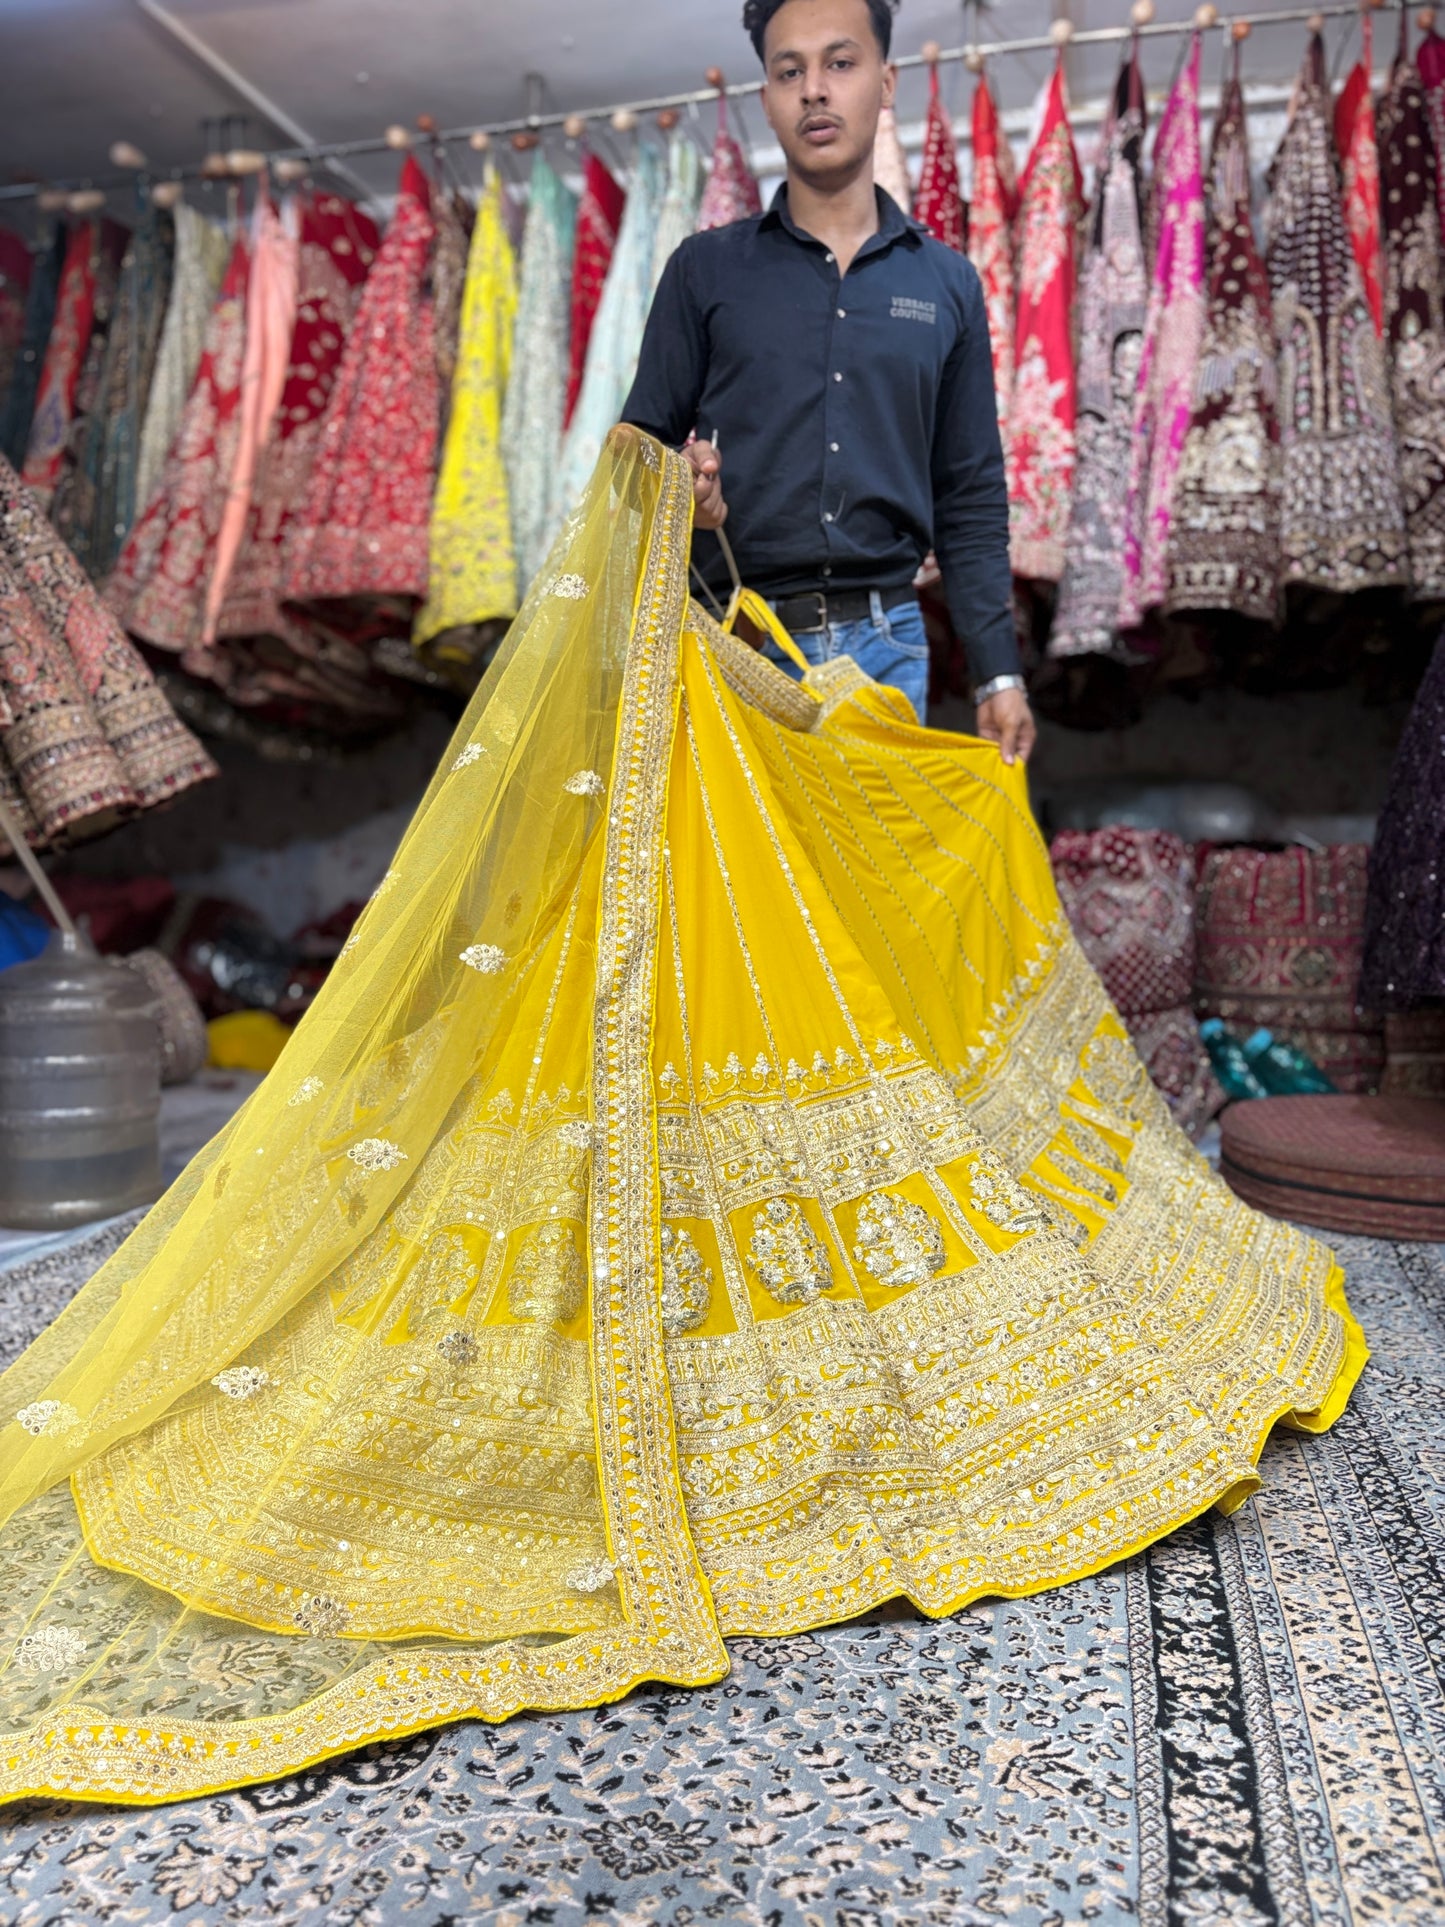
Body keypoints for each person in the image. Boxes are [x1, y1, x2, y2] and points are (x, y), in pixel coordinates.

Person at [0, 431, 1362, 1806]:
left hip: (809, 668)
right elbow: (641, 488)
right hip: (701, 742)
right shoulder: (708, 337)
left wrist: (967, 658)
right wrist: (685, 514)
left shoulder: (886, 343)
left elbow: (915, 506)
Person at [624, 0, 1035, 759]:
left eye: (839, 64)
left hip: (884, 651)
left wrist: (997, 676)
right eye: (790, 71)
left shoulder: (947, 284)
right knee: (740, 881)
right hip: (730, 643)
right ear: (768, 100)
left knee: (864, 880)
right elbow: (632, 463)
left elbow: (970, 493)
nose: (814, 89)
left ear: (884, 82)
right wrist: (685, 493)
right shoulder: (704, 270)